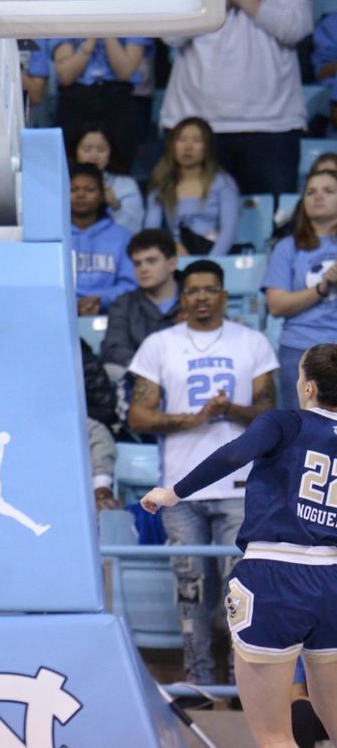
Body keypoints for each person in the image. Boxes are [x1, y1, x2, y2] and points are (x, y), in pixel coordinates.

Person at [140, 344, 337, 748]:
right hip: (332, 577)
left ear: (310, 388)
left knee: (273, 735)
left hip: (275, 574)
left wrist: (173, 493)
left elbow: (234, 455)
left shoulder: (286, 422)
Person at [129, 260, 279, 689]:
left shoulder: (251, 342)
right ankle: (197, 683)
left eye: (209, 290)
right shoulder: (160, 344)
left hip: (240, 486)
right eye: (192, 290)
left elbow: (271, 410)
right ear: (182, 295)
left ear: (223, 294)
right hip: (180, 487)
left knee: (240, 590)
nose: (200, 298)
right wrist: (193, 419)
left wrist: (230, 410)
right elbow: (138, 416)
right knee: (190, 586)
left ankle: (240, 684)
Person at [159, 0, 312, 196]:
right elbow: (168, 34)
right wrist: (215, 4)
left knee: (271, 224)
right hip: (198, 125)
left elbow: (296, 29)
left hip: (271, 126)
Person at [48, 0, 151, 173]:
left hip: (118, 99)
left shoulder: (135, 13)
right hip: (76, 99)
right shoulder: (65, 12)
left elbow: (124, 70)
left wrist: (105, 19)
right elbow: (65, 74)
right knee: (69, 171)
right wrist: (91, 31)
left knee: (119, 167)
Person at [264, 169, 337, 411]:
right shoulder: (287, 248)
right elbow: (276, 305)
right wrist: (321, 288)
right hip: (300, 350)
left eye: (328, 191)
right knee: (300, 431)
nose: (318, 197)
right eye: (311, 192)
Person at [143, 116, 241, 256]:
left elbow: (228, 231)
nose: (188, 147)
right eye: (182, 140)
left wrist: (208, 264)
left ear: (207, 147)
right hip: (175, 255)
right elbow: (151, 230)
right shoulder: (161, 183)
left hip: (213, 254)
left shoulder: (223, 183)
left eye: (196, 141)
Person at [100, 229, 181, 377]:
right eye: (137, 264)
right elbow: (114, 350)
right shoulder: (123, 305)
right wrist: (151, 370)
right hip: (140, 383)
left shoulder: (194, 299)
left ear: (172, 264)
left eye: (151, 261)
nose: (143, 269)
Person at [71, 163, 136, 315]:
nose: (81, 195)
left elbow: (130, 283)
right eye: (73, 190)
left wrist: (102, 300)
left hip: (114, 316)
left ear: (102, 195)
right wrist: (74, 304)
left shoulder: (122, 236)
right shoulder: (53, 238)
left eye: (89, 189)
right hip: (60, 315)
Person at [71, 124, 143, 235]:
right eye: (87, 149)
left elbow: (135, 231)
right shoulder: (62, 183)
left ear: (110, 153)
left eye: (101, 150)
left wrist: (116, 207)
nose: (94, 156)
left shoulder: (127, 185)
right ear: (75, 151)